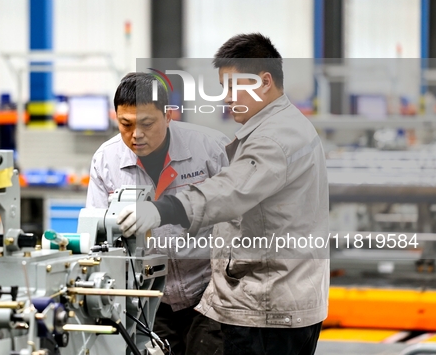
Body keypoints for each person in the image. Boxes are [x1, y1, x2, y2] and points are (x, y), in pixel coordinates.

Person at [117, 34, 330, 355]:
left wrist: (163, 210)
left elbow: (229, 191)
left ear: (264, 81)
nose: (226, 98)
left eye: (232, 87)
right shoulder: (281, 126)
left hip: (267, 307)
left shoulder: (274, 137)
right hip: (275, 300)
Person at [86, 72, 230, 355]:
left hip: (209, 293)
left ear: (168, 116)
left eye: (147, 124)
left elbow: (241, 214)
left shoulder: (211, 150)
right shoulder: (106, 161)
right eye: (125, 124)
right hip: (149, 298)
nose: (136, 135)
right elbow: (97, 237)